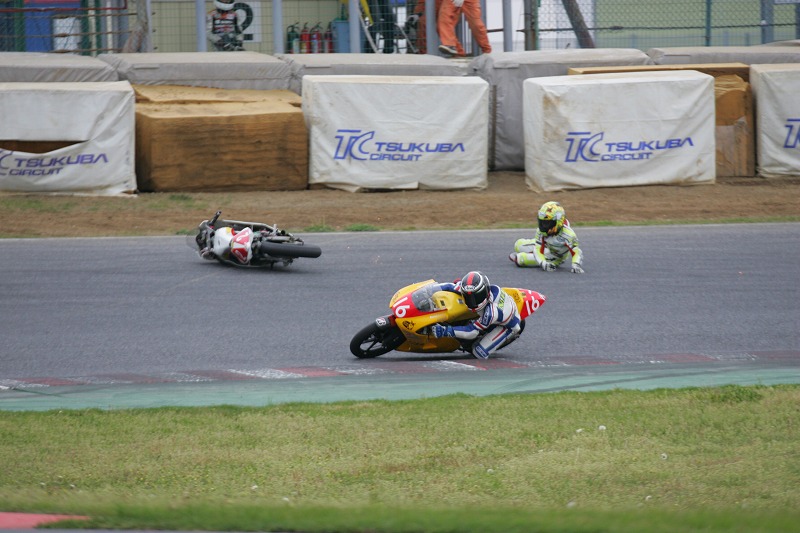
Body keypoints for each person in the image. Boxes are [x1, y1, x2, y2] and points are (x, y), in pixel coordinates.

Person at [430, 271, 522, 360]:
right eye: (468, 297)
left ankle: (502, 336)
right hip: (493, 307)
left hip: (508, 325)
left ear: (485, 292)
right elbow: (449, 286)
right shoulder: (468, 289)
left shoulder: (491, 313)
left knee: (479, 352)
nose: (472, 301)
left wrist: (446, 331)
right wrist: (430, 290)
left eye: (477, 297)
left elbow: (472, 332)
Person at [509, 201, 585, 273]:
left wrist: (576, 265)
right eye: (542, 222)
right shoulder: (540, 231)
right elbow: (538, 248)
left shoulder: (569, 235)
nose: (543, 226)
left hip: (555, 256)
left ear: (558, 221)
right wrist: (542, 262)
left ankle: (527, 255)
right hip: (545, 246)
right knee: (518, 244)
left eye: (547, 223)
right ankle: (531, 254)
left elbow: (576, 251)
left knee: (520, 259)